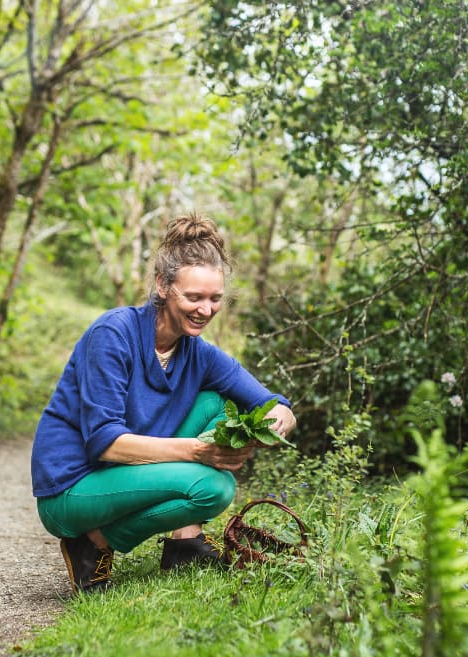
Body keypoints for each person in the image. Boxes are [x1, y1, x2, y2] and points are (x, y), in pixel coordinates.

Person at [31, 212, 296, 593]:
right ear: (162, 286)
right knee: (214, 488)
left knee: (218, 405)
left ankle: (184, 542)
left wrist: (277, 421)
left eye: (215, 299)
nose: (205, 309)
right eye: (194, 297)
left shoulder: (198, 353)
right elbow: (105, 443)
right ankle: (92, 542)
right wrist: (198, 451)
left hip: (125, 473)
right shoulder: (114, 333)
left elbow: (274, 404)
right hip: (73, 487)